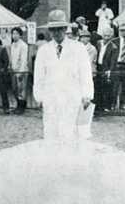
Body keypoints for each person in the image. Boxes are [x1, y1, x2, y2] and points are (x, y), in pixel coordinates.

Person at [34, 9, 94, 140]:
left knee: (71, 132)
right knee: (52, 131)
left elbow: (85, 73)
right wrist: (39, 97)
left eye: (60, 29)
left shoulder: (78, 48)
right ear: (49, 31)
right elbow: (39, 76)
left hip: (72, 96)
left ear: (65, 29)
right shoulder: (44, 50)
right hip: (51, 97)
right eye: (53, 29)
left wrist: (87, 95)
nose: (57, 33)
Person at [95, 26, 118, 113]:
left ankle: (107, 106)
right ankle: (99, 105)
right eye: (105, 35)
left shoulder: (113, 47)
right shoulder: (98, 43)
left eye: (108, 36)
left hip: (106, 68)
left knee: (107, 88)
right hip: (98, 67)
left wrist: (110, 70)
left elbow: (113, 60)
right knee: (98, 87)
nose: (106, 37)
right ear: (102, 35)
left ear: (111, 36)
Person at [9, 27, 29, 115]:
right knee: (14, 89)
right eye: (13, 33)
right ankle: (18, 105)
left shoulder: (24, 45)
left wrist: (20, 72)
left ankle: (21, 107)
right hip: (13, 71)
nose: (14, 35)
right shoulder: (12, 45)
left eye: (16, 33)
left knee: (21, 90)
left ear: (20, 35)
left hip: (22, 71)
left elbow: (24, 59)